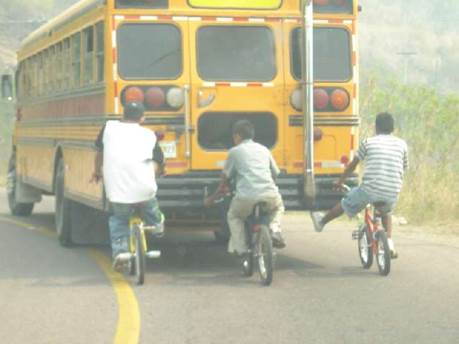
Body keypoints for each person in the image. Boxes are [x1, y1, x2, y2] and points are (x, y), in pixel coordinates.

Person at [310, 112, 408, 257]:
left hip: (369, 190)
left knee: (346, 203)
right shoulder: (402, 144)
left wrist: (340, 181)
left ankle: (321, 222)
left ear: (376, 127)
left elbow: (352, 166)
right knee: (386, 212)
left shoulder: (368, 142)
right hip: (393, 189)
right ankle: (389, 243)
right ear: (392, 128)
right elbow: (404, 167)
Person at [91, 102, 165, 271]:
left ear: (122, 115)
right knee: (152, 208)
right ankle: (157, 226)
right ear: (142, 118)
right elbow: (160, 161)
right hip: (144, 189)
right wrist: (161, 171)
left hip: (117, 191)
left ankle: (120, 253)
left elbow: (99, 152)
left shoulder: (108, 128)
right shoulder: (149, 135)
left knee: (119, 220)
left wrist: (97, 172)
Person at [205, 120, 286, 256]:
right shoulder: (264, 149)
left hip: (246, 197)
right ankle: (275, 229)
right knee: (279, 207)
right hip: (269, 193)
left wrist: (218, 191)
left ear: (237, 136)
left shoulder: (234, 152)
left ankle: (241, 249)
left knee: (234, 216)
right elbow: (275, 173)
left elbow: (225, 176)